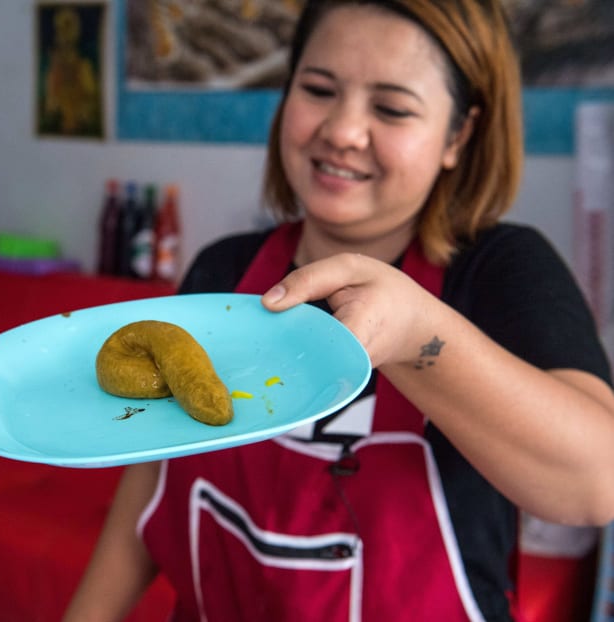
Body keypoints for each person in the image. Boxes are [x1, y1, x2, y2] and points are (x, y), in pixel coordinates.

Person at [63, 1, 614, 620]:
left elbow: (597, 483)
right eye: (319, 89)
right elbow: (155, 475)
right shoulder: (223, 271)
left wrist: (417, 334)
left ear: (458, 135)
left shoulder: (498, 271)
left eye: (392, 108)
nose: (344, 131)